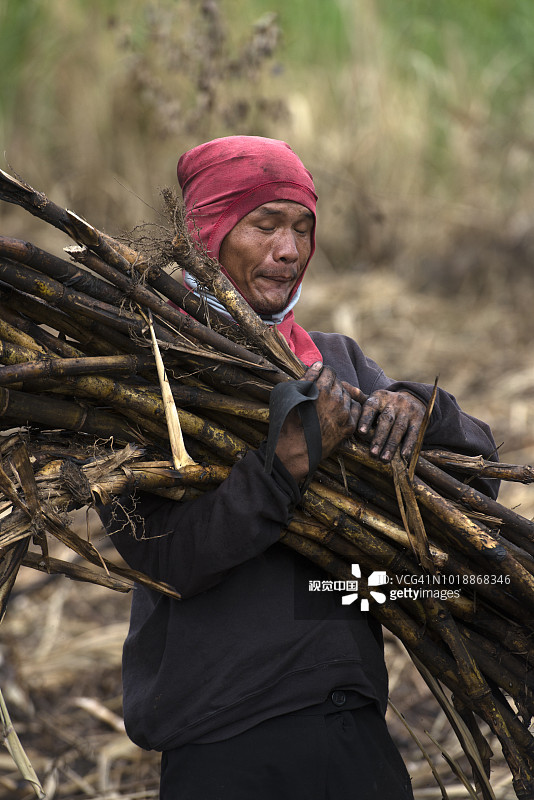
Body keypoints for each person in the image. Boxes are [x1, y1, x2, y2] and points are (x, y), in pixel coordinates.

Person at [98, 136, 498, 799]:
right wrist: (280, 470)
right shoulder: (144, 373)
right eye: (266, 224)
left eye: (303, 227)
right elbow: (165, 557)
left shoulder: (335, 362)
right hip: (220, 733)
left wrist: (424, 408)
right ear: (209, 231)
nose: (290, 250)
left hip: (344, 712)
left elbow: (475, 495)